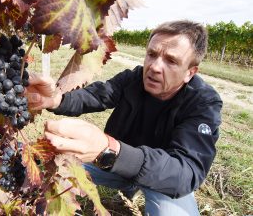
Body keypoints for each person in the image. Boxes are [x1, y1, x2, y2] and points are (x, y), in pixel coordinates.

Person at [26, 20, 222, 216]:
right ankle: (127, 187)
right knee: (52, 166)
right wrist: (56, 99)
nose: (154, 67)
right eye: (152, 54)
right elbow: (96, 95)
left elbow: (187, 172)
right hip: (115, 165)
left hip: (162, 180)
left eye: (171, 61)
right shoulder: (133, 79)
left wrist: (110, 150)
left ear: (190, 72)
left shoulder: (204, 103)